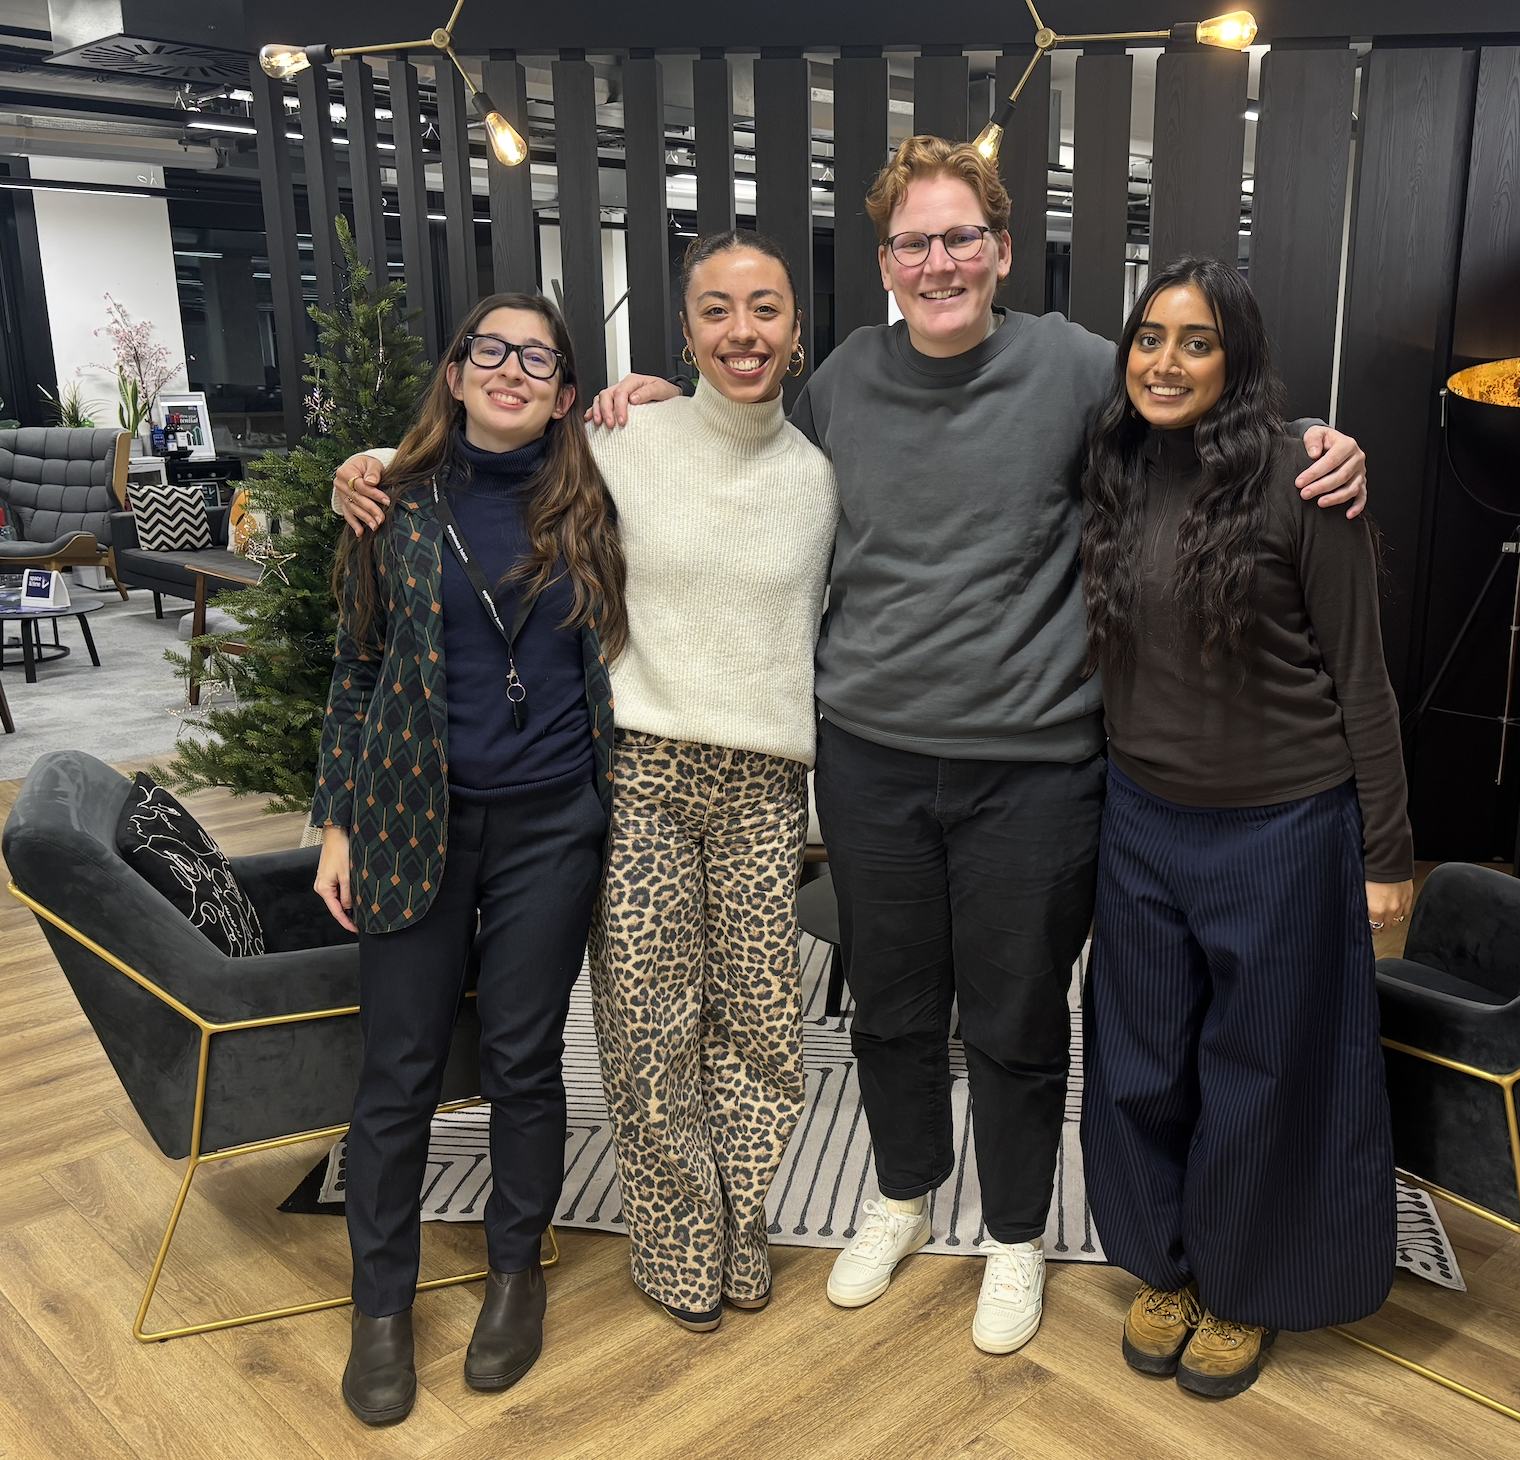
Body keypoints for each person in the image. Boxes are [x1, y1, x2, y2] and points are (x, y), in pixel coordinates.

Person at [580, 135, 1371, 1356]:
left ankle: (1011, 1232)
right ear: (885, 262)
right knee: (892, 1008)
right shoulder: (840, 377)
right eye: (913, 242)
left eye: (961, 237)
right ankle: (900, 1193)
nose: (938, 260)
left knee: (1013, 1015)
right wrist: (645, 397)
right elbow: (740, 449)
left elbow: (1195, 396)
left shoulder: (1072, 366)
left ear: (1003, 248)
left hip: (1037, 765)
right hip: (871, 755)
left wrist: (1319, 435)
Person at [328, 231, 838, 1334]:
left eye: (765, 309)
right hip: (636, 772)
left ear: (798, 330)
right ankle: (669, 1246)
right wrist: (361, 466)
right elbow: (449, 484)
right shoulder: (622, 441)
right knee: (643, 1033)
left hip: (737, 787)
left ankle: (730, 1225)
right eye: (715, 309)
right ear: (686, 326)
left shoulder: (820, 466)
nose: (741, 331)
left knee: (760, 1028)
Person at [1079, 256, 1411, 1399]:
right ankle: (1166, 1263)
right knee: (1139, 1060)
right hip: (1141, 821)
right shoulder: (1112, 463)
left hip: (1283, 826)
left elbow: (1363, 680)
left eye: (1197, 341)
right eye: (1149, 336)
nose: (1165, 361)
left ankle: (1243, 1283)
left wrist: (1387, 855)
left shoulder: (1306, 480)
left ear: (1241, 360)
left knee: (1265, 1072)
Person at [311, 292, 625, 1425]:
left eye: (534, 358)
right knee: (397, 1072)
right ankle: (381, 1306)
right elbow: (354, 669)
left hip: (552, 826)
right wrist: (338, 819)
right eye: (488, 349)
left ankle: (511, 1276)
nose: (509, 368)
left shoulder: (594, 500)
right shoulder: (389, 505)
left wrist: (658, 392)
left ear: (562, 393)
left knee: (524, 1061)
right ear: (455, 374)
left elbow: (682, 431)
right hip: (409, 819)